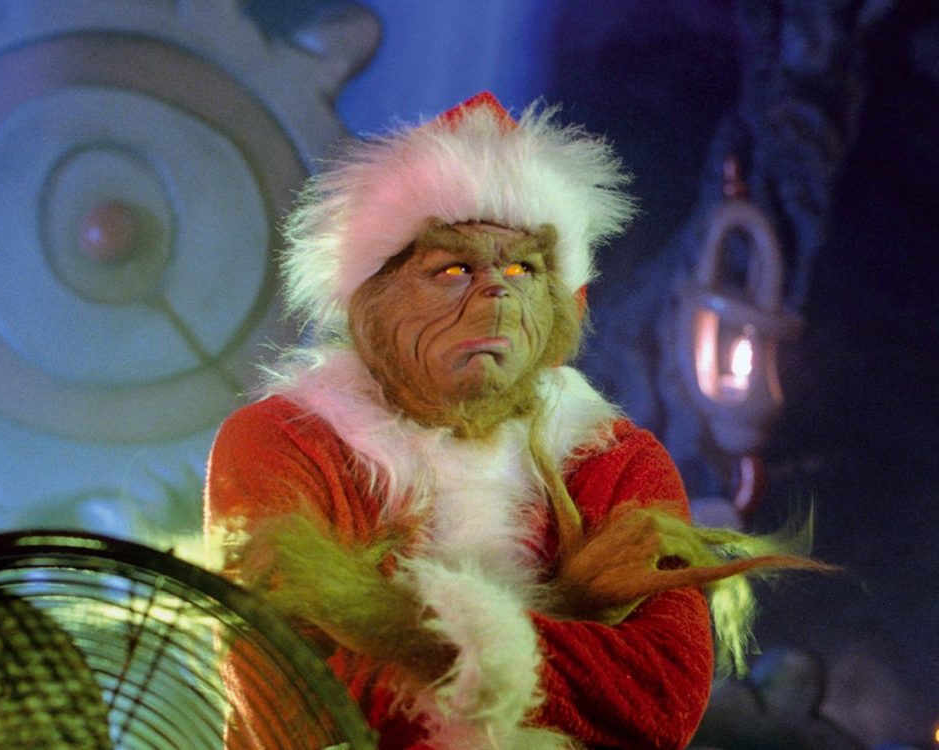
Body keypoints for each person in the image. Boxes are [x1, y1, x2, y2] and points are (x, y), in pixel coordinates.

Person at [205, 92, 812, 749]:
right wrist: (567, 615)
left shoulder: (615, 460)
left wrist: (390, 623)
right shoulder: (281, 442)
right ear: (370, 303)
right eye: (453, 268)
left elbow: (663, 697)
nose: (498, 290)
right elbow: (287, 701)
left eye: (524, 267)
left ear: (560, 304)